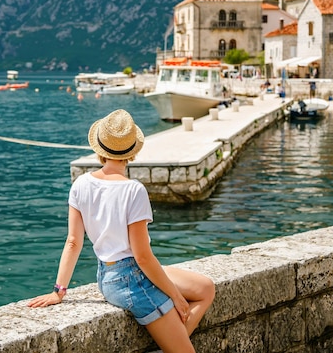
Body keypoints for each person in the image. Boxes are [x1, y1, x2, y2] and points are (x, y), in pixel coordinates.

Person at [28, 109, 215, 353]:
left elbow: (73, 242)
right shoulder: (133, 190)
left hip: (107, 277)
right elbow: (143, 256)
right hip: (133, 280)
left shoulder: (81, 184)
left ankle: (170, 344)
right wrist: (177, 298)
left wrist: (59, 291)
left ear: (100, 149)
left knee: (206, 288)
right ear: (133, 151)